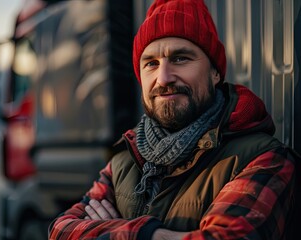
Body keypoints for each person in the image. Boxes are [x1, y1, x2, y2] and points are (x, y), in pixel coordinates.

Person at [48, 0, 300, 239]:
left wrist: (113, 231)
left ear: (214, 73)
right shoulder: (123, 164)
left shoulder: (261, 159)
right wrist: (153, 235)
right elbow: (59, 230)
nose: (164, 77)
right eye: (151, 63)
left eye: (180, 58)